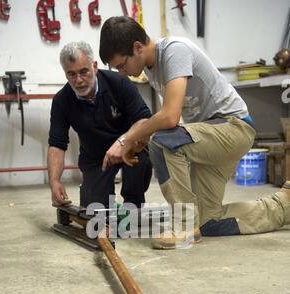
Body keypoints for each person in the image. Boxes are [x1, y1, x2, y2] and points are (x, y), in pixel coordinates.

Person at [99, 17, 290, 249]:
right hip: (208, 136)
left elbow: (169, 117)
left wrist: (127, 138)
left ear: (137, 47)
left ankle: (184, 226)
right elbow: (169, 121)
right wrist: (142, 139)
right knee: (208, 220)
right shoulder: (151, 69)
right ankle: (283, 205)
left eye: (121, 65)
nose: (121, 73)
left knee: (164, 142)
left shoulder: (174, 51)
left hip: (233, 128)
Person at [47, 40, 152, 211]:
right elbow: (57, 144)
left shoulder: (119, 83)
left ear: (94, 66)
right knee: (95, 211)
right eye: (72, 74)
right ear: (65, 74)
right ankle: (104, 202)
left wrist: (122, 142)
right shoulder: (61, 101)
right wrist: (54, 181)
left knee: (141, 156)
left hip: (129, 148)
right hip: (95, 158)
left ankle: (133, 203)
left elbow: (145, 120)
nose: (79, 80)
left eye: (84, 71)